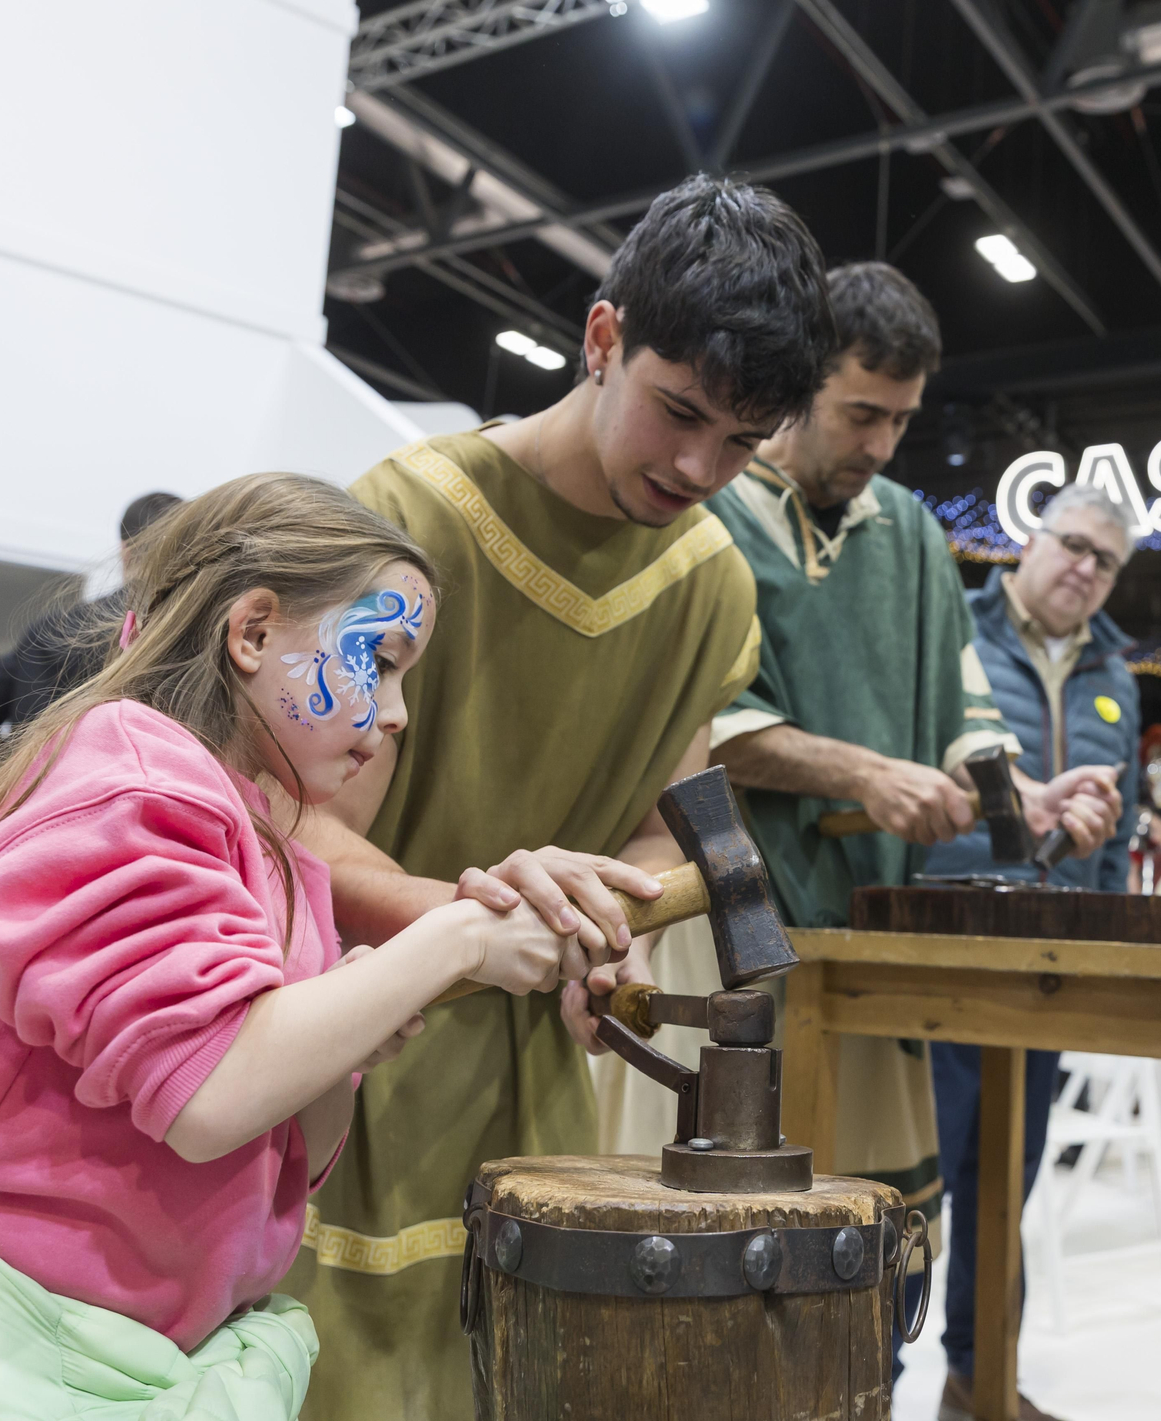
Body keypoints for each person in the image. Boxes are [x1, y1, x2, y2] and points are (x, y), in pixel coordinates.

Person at [279, 174, 837, 1421]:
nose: (698, 465)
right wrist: (477, 918)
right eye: (677, 410)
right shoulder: (402, 518)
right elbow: (286, 823)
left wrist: (602, 904)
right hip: (346, 1051)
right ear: (601, 340)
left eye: (742, 444)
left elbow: (686, 829)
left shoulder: (710, 585)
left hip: (532, 1087)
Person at [0, 473, 578, 1419]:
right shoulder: (136, 783)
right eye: (379, 659)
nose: (398, 712)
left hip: (136, 1348)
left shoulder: (268, 844)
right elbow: (209, 1097)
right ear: (252, 632)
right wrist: (454, 935)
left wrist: (348, 1033)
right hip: (14, 1352)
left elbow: (283, 1134)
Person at [705, 261, 1120, 1373]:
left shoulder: (911, 533)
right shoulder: (710, 520)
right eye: (860, 413)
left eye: (901, 419)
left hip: (877, 940)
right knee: (748, 1241)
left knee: (877, 1235)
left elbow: (964, 717)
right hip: (742, 935)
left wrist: (1023, 797)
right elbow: (706, 719)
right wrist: (861, 772)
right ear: (795, 387)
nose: (883, 445)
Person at [920, 481, 1143, 1421]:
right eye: (1076, 545)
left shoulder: (1116, 673)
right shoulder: (953, 631)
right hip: (941, 947)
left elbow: (1110, 824)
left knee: (1004, 1181)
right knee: (916, 1180)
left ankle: (981, 1382)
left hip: (1049, 962)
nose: (1087, 570)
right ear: (1032, 540)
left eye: (1108, 561)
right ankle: (867, 1381)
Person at [0, 491, 182, 762]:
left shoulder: (56, 627)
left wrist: (14, 770)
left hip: (42, 794)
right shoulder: (185, 633)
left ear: (125, 551)